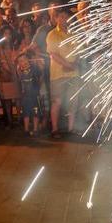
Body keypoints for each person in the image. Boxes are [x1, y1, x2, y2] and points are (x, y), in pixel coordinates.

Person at [46, 8, 78, 138]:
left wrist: (74, 64)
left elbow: (79, 51)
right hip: (58, 73)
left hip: (73, 73)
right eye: (62, 16)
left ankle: (71, 128)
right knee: (57, 101)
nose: (65, 19)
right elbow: (53, 54)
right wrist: (68, 65)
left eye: (67, 17)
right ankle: (55, 129)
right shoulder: (52, 34)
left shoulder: (74, 33)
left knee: (73, 100)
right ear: (56, 18)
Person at [0, 25, 21, 128]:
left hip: (16, 76)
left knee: (18, 99)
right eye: (5, 34)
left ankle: (19, 119)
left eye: (9, 33)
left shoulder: (15, 46)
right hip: (5, 78)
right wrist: (1, 74)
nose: (8, 36)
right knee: (7, 101)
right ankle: (10, 121)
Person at [16, 54, 41, 136]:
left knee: (35, 112)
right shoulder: (20, 71)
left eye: (24, 59)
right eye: (20, 61)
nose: (23, 62)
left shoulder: (34, 69)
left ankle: (35, 129)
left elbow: (40, 77)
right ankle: (26, 129)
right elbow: (20, 81)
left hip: (34, 95)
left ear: (28, 59)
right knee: (26, 113)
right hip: (25, 96)